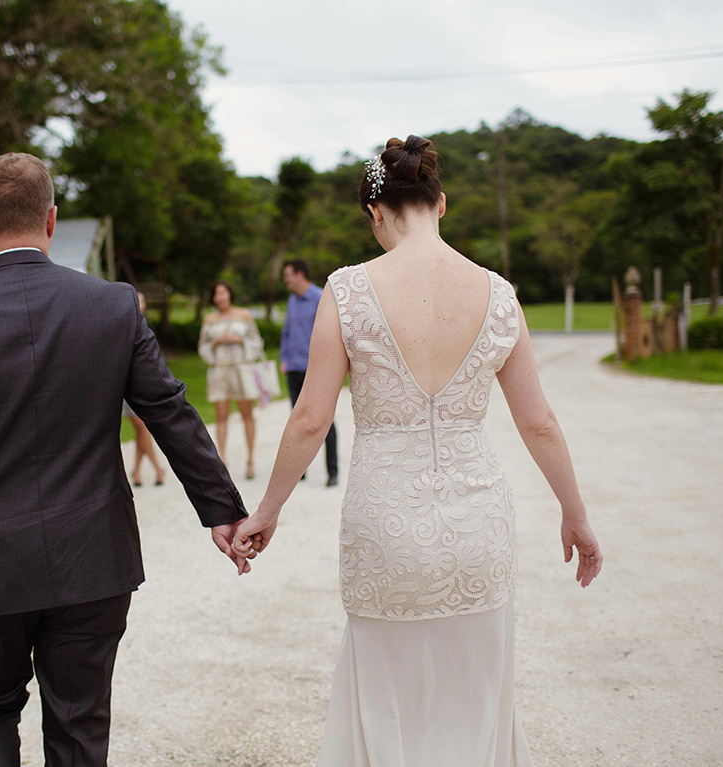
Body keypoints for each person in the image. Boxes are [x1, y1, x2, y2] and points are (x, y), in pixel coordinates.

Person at [234, 136, 603, 766]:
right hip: (477, 528)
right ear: (441, 204)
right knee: (476, 699)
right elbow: (537, 421)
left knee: (385, 697)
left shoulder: (348, 290)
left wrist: (267, 510)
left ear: (376, 213)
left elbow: (309, 419)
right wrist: (575, 513)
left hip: (385, 525)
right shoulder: (498, 293)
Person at [0, 153, 250, 767]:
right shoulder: (112, 307)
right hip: (92, 557)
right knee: (80, 724)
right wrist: (222, 510)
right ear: (52, 220)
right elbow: (169, 411)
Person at [280, 258, 339, 487]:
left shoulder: (320, 297)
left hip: (315, 370)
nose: (285, 279)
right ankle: (299, 471)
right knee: (296, 421)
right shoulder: (291, 301)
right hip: (293, 367)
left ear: (300, 274)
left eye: (288, 274)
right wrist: (284, 358)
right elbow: (286, 332)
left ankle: (332, 472)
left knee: (324, 421)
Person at [198, 280, 264, 479]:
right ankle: (222, 460)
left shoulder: (244, 315)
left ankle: (250, 460)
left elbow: (257, 342)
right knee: (221, 416)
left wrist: (240, 340)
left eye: (223, 293)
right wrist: (216, 342)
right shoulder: (209, 319)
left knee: (247, 415)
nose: (221, 297)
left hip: (241, 369)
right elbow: (202, 347)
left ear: (230, 294)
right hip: (220, 370)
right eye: (217, 294)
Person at [123, 292, 165, 487]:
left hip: (142, 384)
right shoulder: (122, 324)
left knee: (141, 428)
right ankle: (156, 467)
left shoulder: (146, 327)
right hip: (124, 383)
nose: (139, 304)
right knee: (141, 428)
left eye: (142, 300)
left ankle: (141, 470)